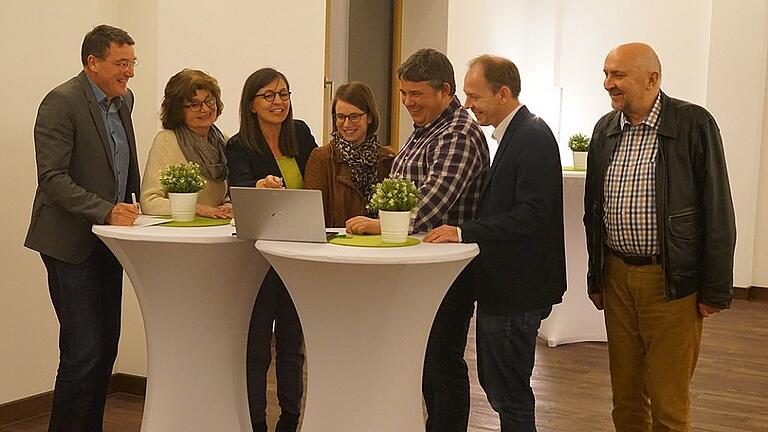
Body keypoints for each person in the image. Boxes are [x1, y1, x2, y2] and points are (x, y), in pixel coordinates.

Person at [584, 42, 736, 432]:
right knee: (627, 398)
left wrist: (714, 289)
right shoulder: (604, 131)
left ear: (652, 79)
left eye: (618, 75)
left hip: (670, 281)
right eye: (606, 73)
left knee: (669, 400)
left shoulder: (693, 124)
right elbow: (593, 213)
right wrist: (596, 278)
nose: (608, 84)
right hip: (617, 277)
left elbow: (718, 210)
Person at [348, 48, 489, 432]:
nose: (409, 102)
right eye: (404, 94)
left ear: (445, 91)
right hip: (420, 270)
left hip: (446, 272)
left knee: (441, 363)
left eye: (417, 94)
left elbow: (430, 204)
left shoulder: (459, 132)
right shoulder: (426, 130)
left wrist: (378, 225)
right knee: (425, 362)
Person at [425, 55, 566, 431]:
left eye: (474, 95)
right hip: (506, 289)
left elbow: (534, 215)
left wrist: (465, 230)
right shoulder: (515, 135)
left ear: (503, 93)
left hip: (516, 289)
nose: (468, 105)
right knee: (502, 388)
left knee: (510, 393)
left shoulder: (531, 136)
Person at [24, 25, 140, 431]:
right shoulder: (61, 102)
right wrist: (107, 211)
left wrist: (130, 204)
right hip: (69, 244)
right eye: (121, 64)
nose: (129, 72)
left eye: (132, 63)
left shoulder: (123, 102)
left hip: (110, 244)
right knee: (83, 351)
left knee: (106, 348)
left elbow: (122, 167)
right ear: (93, 63)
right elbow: (52, 180)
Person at [226, 68, 317, 432]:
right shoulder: (238, 145)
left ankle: (291, 418)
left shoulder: (301, 133)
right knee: (258, 345)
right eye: (268, 95)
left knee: (294, 343)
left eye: (283, 94)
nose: (278, 102)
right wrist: (258, 186)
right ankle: (256, 422)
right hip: (258, 256)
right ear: (251, 104)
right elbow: (239, 188)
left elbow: (318, 180)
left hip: (299, 251)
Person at [140, 69, 231, 218]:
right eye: (195, 104)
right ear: (178, 110)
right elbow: (150, 201)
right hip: (181, 234)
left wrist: (228, 205)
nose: (205, 109)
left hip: (217, 231)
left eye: (209, 100)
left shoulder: (223, 142)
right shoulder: (166, 140)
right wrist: (196, 209)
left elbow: (227, 193)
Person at [304, 81, 395, 227]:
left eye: (354, 116)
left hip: (379, 245)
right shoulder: (322, 158)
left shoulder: (387, 159)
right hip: (337, 245)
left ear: (370, 117)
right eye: (340, 116)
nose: (346, 124)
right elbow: (311, 216)